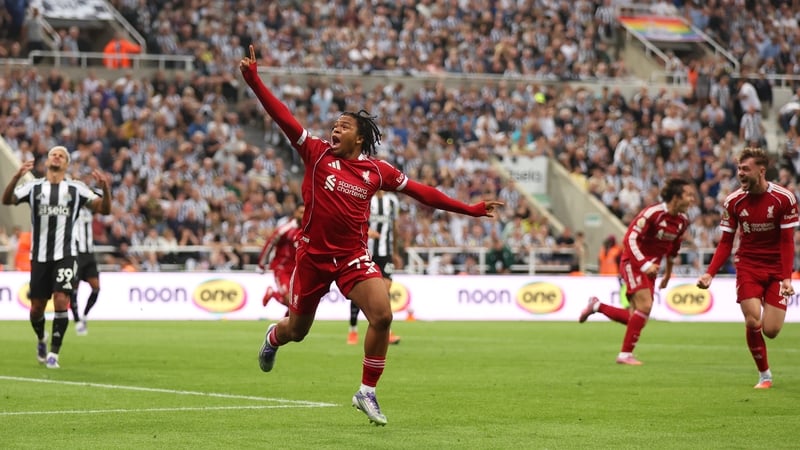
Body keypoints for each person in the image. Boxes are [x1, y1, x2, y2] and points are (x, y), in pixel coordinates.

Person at [240, 45, 502, 426]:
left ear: (359, 138)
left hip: (352, 258)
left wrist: (470, 208)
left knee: (382, 315)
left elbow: (423, 192)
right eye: (335, 125)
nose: (335, 129)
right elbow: (283, 117)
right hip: (311, 258)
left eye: (344, 127)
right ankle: (273, 338)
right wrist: (254, 80)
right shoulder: (315, 153)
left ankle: (366, 391)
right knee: (297, 330)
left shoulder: (377, 171)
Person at [696, 147, 798, 389]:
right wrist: (710, 273)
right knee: (753, 321)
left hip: (775, 269)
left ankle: (767, 306)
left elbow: (787, 241)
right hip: (748, 265)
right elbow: (726, 242)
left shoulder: (784, 199)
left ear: (761, 171)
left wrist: (786, 278)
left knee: (771, 330)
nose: (740, 173)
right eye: (739, 169)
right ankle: (764, 375)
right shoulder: (733, 201)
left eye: (745, 169)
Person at [2, 147, 111, 369]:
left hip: (66, 254)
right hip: (39, 257)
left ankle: (54, 354)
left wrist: (105, 189)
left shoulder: (76, 189)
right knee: (37, 308)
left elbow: (104, 209)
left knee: (62, 299)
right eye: (54, 154)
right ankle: (41, 339)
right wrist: (16, 177)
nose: (57, 156)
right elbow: (7, 200)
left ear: (66, 164)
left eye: (62, 155)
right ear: (48, 161)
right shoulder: (33, 187)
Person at [578, 178, 694, 365]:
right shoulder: (653, 213)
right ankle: (624, 355)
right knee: (645, 307)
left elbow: (673, 250)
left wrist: (667, 274)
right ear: (675, 197)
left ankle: (597, 306)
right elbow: (629, 239)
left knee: (637, 317)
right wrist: (644, 263)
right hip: (633, 263)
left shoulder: (682, 221)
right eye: (688, 195)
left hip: (651, 270)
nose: (692, 200)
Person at [348, 190, 401, 345]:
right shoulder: (365, 197)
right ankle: (353, 329)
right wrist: (366, 231)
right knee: (359, 290)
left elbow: (394, 227)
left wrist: (395, 252)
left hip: (386, 253)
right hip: (366, 251)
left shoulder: (392, 201)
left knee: (386, 288)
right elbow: (354, 220)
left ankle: (386, 331)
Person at [257, 204, 305, 314]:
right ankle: (273, 294)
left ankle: (287, 326)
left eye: (305, 212)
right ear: (295, 214)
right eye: (300, 212)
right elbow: (270, 244)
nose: (303, 215)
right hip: (282, 268)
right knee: (290, 300)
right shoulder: (285, 229)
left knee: (298, 303)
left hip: (298, 271)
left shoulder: (309, 231)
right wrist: (261, 264)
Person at [69, 188, 103, 336]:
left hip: (89, 254)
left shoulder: (90, 210)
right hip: (76, 253)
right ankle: (77, 320)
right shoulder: (72, 208)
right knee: (73, 289)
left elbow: (101, 199)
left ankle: (84, 315)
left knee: (96, 287)